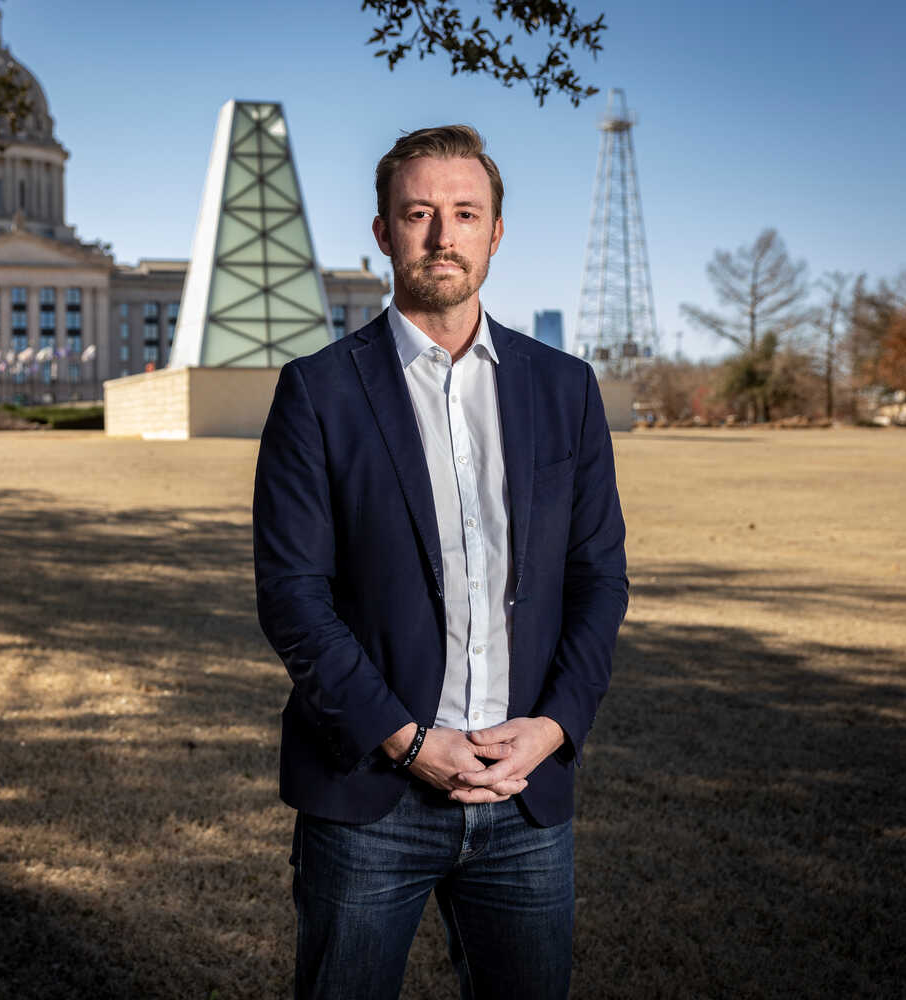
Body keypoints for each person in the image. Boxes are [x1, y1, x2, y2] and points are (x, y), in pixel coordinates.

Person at [253, 125, 628, 1000]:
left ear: (496, 231)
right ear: (383, 232)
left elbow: (597, 578)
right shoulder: (318, 390)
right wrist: (408, 741)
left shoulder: (565, 387)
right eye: (418, 213)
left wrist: (553, 728)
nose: (442, 235)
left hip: (525, 792)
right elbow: (294, 597)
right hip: (368, 795)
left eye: (465, 213)